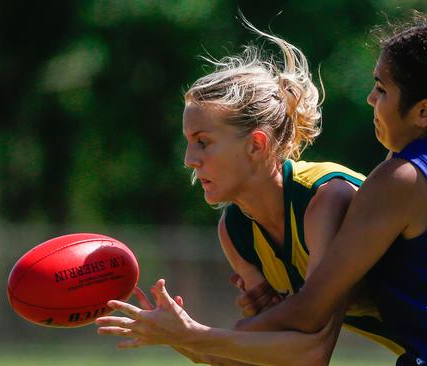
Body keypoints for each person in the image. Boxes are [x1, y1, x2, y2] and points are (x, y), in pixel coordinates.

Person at [95, 19, 404, 366]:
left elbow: (312, 354)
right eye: (188, 142)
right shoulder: (236, 231)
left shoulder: (324, 199)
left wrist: (192, 333)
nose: (189, 160)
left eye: (203, 142)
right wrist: (175, 336)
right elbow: (255, 355)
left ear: (257, 145)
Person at [233, 16, 427, 366]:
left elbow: (309, 313)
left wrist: (198, 336)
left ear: (423, 112)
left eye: (382, 89)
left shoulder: (404, 178)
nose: (371, 98)